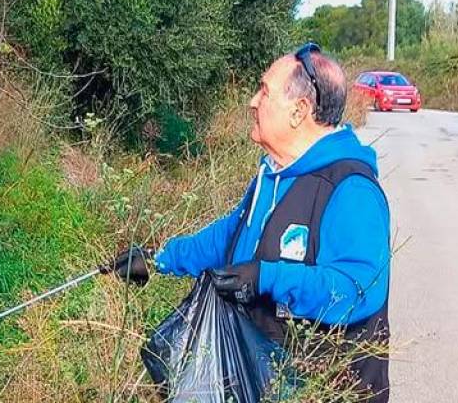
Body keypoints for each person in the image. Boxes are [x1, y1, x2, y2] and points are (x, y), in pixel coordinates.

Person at [123, 43, 391, 402]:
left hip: (324, 390)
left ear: (300, 111)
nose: (252, 101)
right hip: (261, 379)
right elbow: (231, 236)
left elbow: (358, 290)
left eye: (264, 91)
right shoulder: (273, 174)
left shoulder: (350, 189)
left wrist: (267, 277)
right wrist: (158, 259)